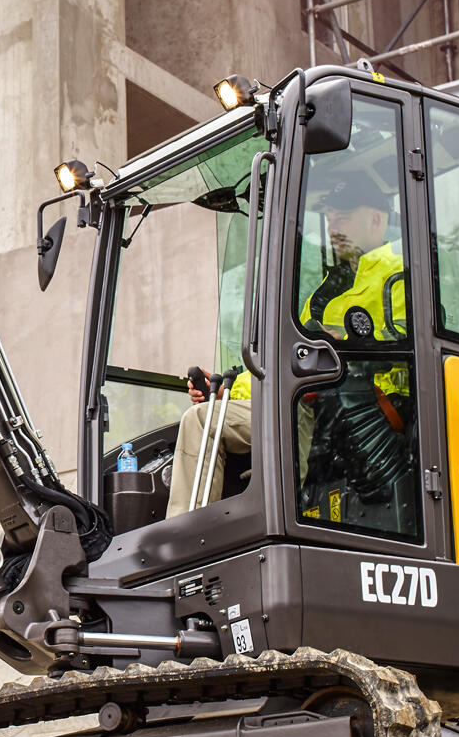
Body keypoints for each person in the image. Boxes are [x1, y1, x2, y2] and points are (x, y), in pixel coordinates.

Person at [163, 180, 406, 510]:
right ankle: (202, 532)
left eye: (343, 218)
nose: (333, 227)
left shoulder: (399, 276)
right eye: (330, 218)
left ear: (376, 220)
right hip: (304, 398)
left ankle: (239, 523)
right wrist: (227, 391)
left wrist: (342, 348)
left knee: (204, 422)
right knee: (204, 417)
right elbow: (284, 361)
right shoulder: (325, 292)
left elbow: (405, 351)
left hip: (363, 404)